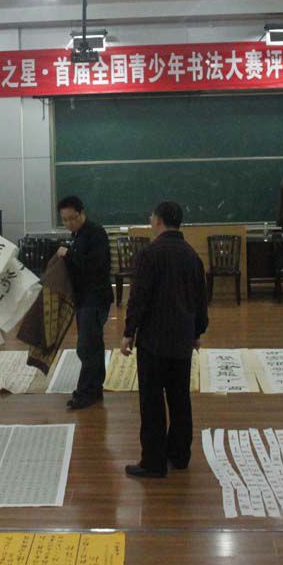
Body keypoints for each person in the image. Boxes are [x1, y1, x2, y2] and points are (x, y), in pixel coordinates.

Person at [119, 201, 207, 478]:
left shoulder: (150, 254)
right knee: (180, 400)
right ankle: (179, 456)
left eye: (151, 216)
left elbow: (139, 298)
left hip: (153, 341)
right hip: (182, 340)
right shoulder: (192, 256)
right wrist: (197, 332)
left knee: (152, 402)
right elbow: (201, 300)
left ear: (158, 220)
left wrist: (128, 332)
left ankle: (153, 462)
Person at [56, 196, 113, 411]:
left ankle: (86, 392)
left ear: (82, 213)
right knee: (92, 346)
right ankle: (94, 388)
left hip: (95, 299)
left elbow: (94, 266)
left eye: (72, 218)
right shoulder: (77, 235)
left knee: (87, 346)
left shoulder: (96, 233)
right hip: (84, 299)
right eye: (64, 220)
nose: (69, 223)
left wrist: (69, 254)